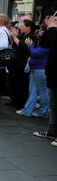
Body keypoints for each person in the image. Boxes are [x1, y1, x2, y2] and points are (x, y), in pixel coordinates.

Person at [34, 14, 57, 147]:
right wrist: (48, 29)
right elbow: (43, 44)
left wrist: (52, 29)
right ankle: (52, 131)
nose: (54, 21)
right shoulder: (53, 32)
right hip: (53, 74)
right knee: (53, 105)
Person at [8, 19, 34, 110]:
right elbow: (14, 45)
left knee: (22, 84)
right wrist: (12, 37)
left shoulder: (31, 36)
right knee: (13, 82)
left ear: (28, 27)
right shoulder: (20, 35)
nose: (20, 28)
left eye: (22, 26)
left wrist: (15, 37)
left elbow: (22, 46)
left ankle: (21, 102)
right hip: (15, 62)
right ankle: (14, 100)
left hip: (23, 64)